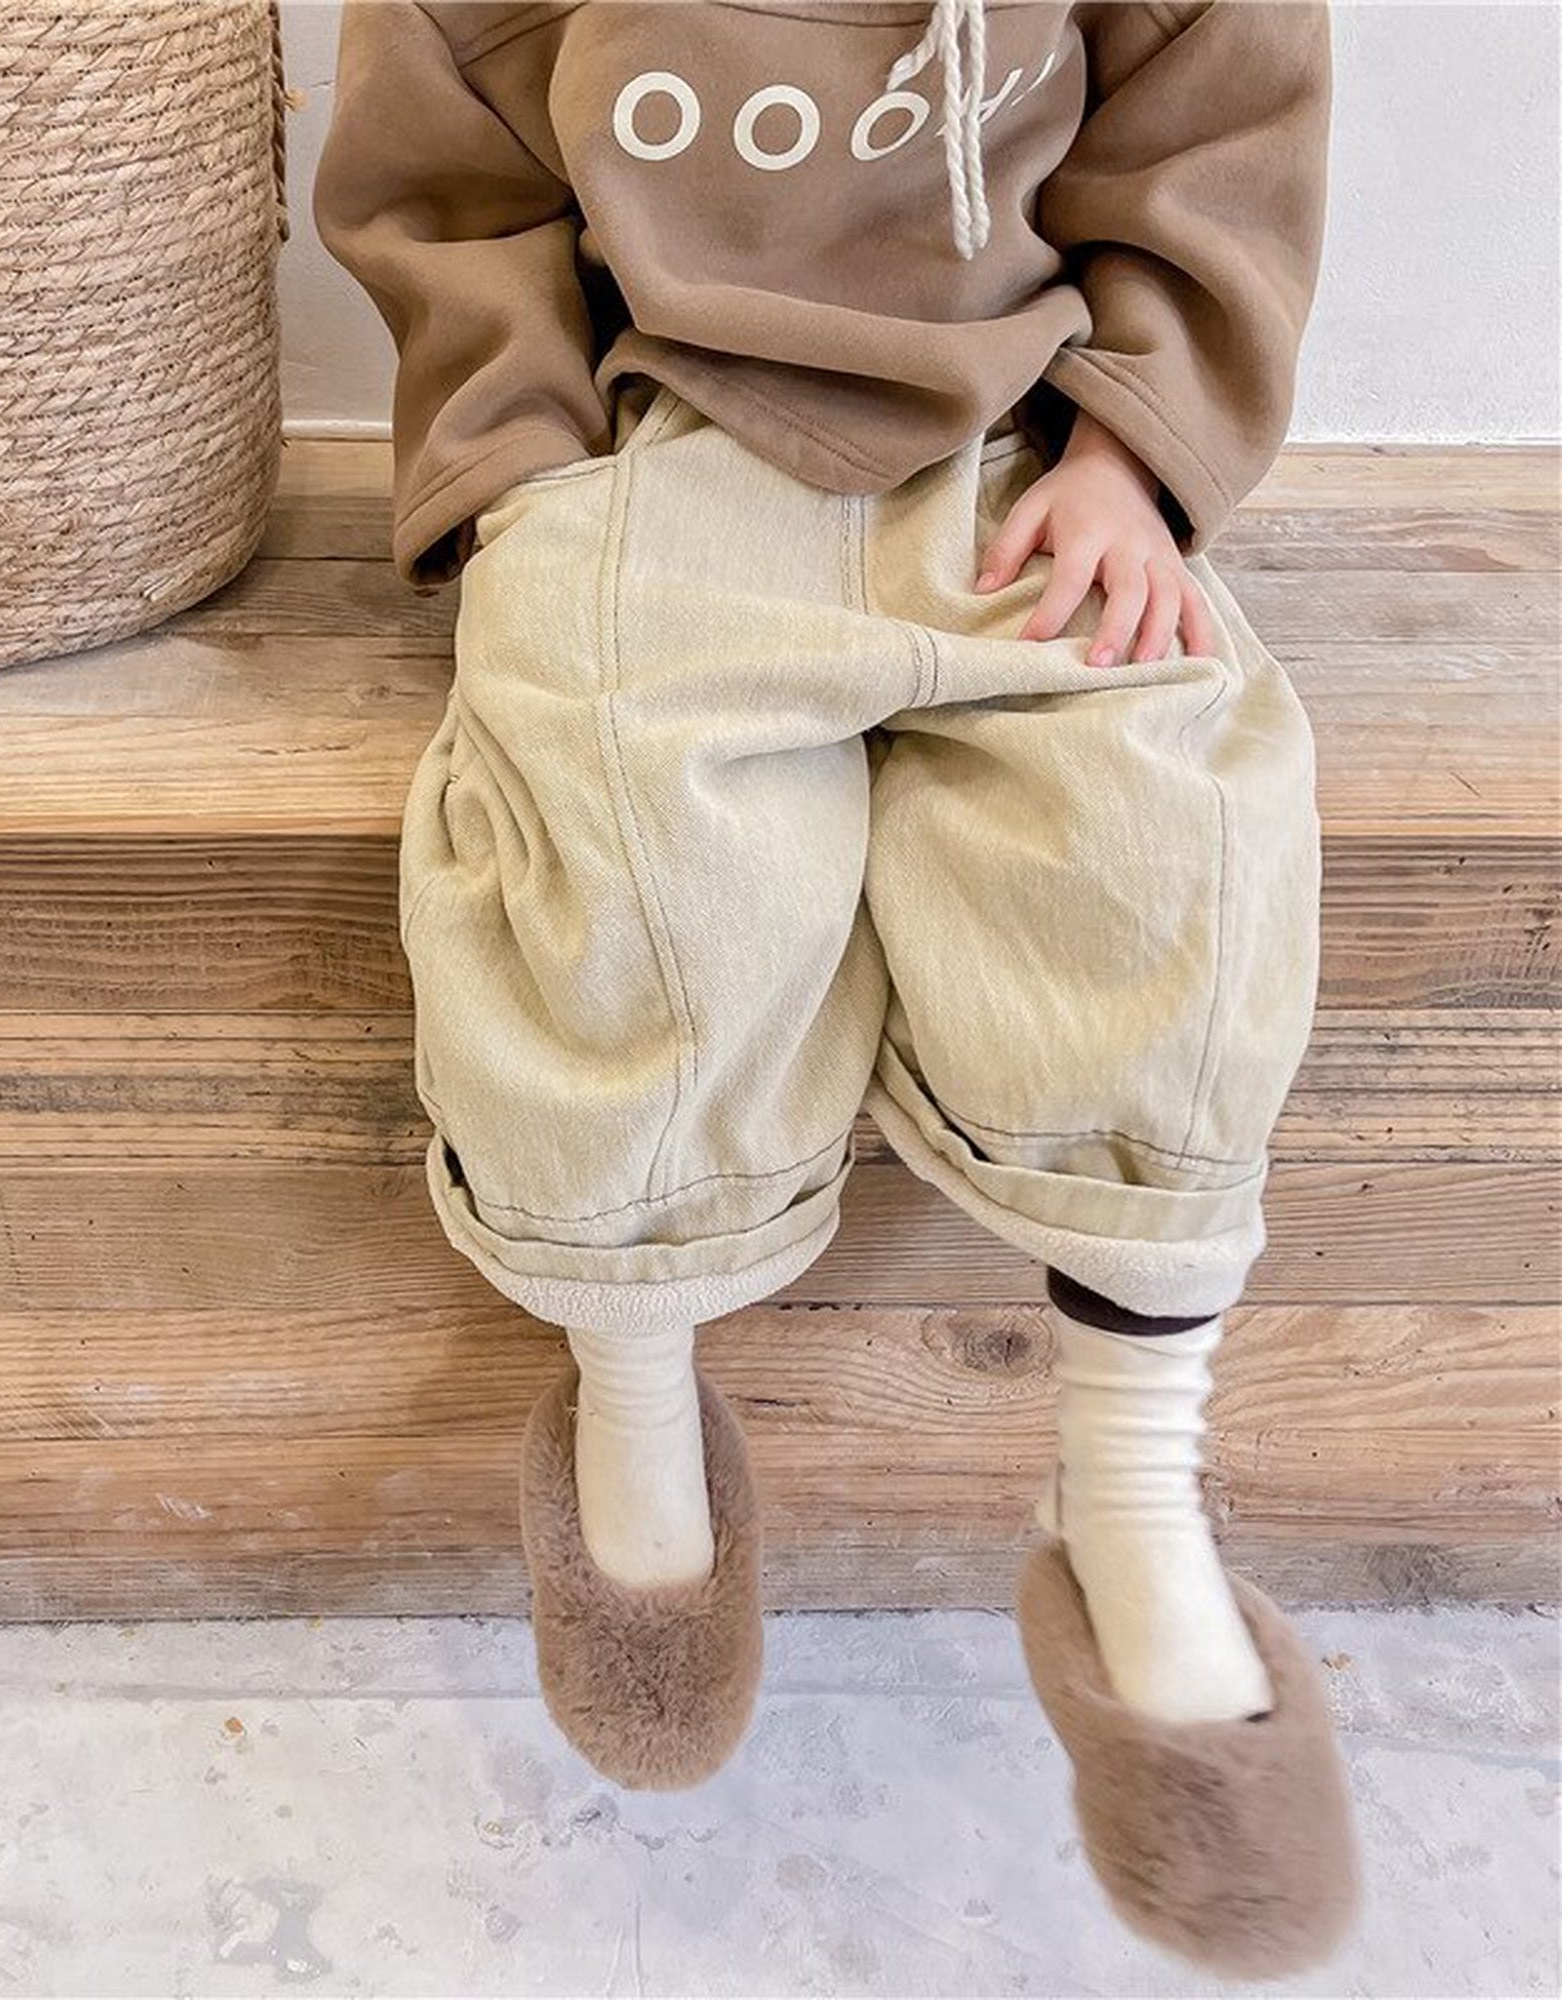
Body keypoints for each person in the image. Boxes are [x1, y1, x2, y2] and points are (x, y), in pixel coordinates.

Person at [315, 0, 1355, 1972]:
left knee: (1177, 825)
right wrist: (523, 473)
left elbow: (1216, 121)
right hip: (661, 454)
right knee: (618, 845)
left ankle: (1133, 1479)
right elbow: (447, 184)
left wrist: (1137, 445)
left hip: (1024, 458)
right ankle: (632, 1400)